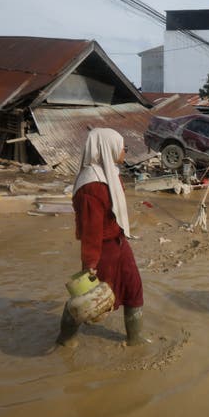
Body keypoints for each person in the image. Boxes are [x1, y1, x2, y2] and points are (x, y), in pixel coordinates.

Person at [56, 128, 149, 347]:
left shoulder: (110, 173)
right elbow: (91, 230)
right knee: (88, 300)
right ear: (108, 148)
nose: (124, 151)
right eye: (122, 147)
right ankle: (64, 341)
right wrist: (90, 263)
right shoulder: (91, 185)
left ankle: (135, 339)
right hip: (102, 249)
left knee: (133, 288)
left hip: (119, 242)